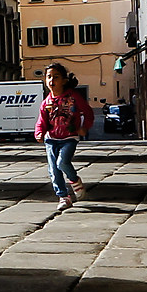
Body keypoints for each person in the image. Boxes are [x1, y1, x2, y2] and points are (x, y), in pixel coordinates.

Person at [33, 62, 94, 209]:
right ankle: (63, 197)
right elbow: (42, 121)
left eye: (56, 77)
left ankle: (74, 181)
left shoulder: (74, 97)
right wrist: (39, 132)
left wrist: (84, 127)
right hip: (51, 140)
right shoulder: (46, 102)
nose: (52, 80)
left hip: (69, 138)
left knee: (62, 163)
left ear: (64, 80)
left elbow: (88, 113)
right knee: (53, 170)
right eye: (49, 77)